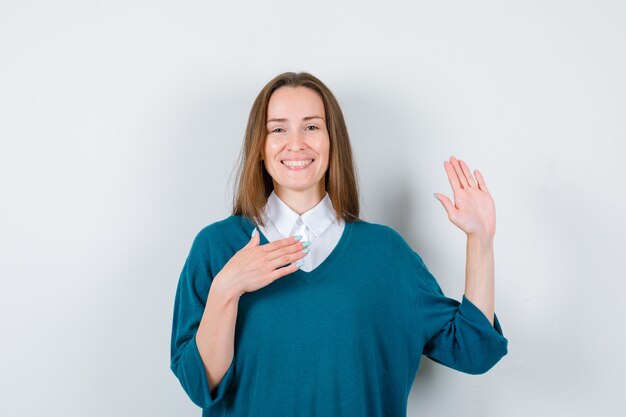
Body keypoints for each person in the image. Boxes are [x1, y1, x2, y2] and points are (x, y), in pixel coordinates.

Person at [169, 71, 508, 417]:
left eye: (312, 127)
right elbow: (200, 385)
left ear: (333, 142)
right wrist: (227, 288)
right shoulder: (216, 247)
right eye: (278, 129)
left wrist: (480, 240)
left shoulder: (386, 254)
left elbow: (473, 350)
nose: (296, 143)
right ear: (259, 145)